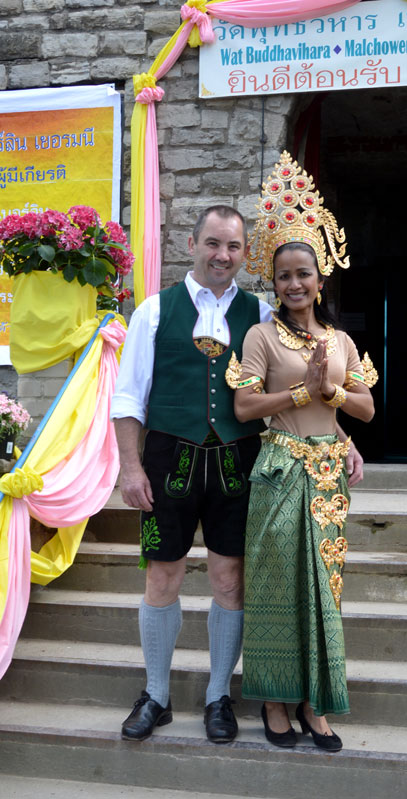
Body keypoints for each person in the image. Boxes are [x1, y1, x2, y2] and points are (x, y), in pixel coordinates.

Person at [110, 203, 364, 745]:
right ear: (191, 244)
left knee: (229, 580)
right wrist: (128, 467)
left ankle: (217, 696)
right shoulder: (153, 312)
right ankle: (156, 694)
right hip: (168, 461)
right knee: (163, 577)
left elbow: (295, 390)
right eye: (212, 243)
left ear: (244, 253)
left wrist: (342, 438)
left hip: (240, 463)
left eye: (232, 247)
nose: (222, 255)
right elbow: (128, 397)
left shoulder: (263, 316)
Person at [233, 152, 376, 751]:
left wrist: (333, 393)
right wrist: (300, 388)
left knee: (324, 588)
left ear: (322, 281)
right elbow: (244, 408)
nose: (296, 284)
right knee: (273, 585)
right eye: (285, 275)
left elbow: (365, 409)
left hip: (327, 477)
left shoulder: (340, 339)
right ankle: (273, 701)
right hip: (278, 467)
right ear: (274, 280)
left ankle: (317, 704)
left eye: (305, 275)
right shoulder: (261, 336)